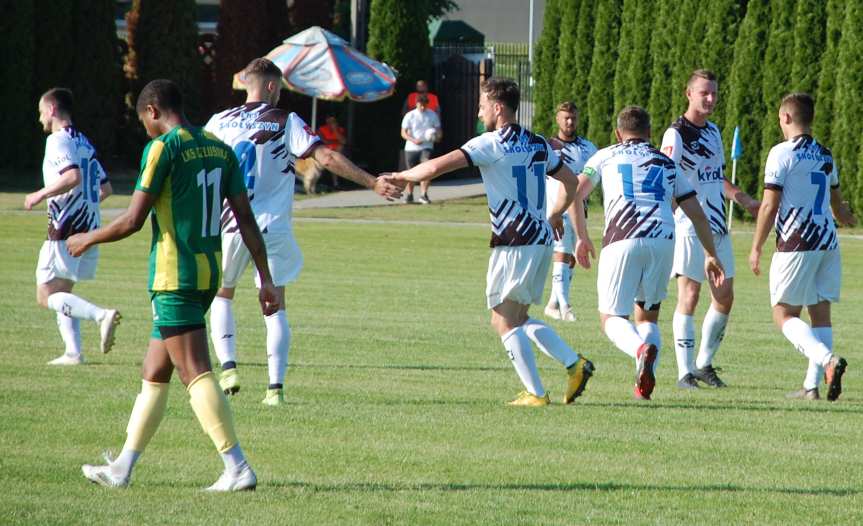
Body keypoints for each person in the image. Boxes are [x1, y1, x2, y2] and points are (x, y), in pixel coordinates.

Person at [69, 79, 277, 491]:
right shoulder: (219, 147)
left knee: (194, 371)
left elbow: (132, 220)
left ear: (152, 111)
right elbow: (246, 220)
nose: (144, 129)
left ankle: (237, 467)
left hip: (174, 277)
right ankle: (122, 468)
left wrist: (87, 237)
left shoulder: (163, 148)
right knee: (154, 370)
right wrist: (265, 277)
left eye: (142, 120)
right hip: (205, 274)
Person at [206, 58, 403, 406]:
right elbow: (325, 158)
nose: (280, 94)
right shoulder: (284, 120)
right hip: (272, 226)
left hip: (230, 223)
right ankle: (274, 390)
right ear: (270, 86)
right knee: (275, 306)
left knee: (223, 294)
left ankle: (229, 367)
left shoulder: (218, 122)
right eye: (280, 87)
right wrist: (372, 182)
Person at [387, 77, 594, 407]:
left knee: (503, 321)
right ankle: (574, 365)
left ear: (498, 108)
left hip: (513, 241)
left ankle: (538, 393)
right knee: (518, 317)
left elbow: (437, 166)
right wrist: (555, 215)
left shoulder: (490, 143)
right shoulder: (539, 142)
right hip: (540, 239)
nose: (479, 111)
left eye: (482, 105)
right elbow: (571, 181)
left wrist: (401, 176)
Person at [572, 106, 725, 401]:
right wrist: (710, 253)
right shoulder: (667, 163)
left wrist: (581, 237)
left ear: (618, 133)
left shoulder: (606, 155)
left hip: (622, 237)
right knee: (648, 318)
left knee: (611, 317)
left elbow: (575, 193)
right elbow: (697, 214)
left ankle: (640, 350)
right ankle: (643, 385)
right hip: (664, 239)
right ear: (650, 133)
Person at [749, 92, 855, 401]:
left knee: (783, 314)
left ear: (785, 118)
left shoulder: (781, 153)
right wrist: (846, 216)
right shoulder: (825, 154)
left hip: (797, 242)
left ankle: (828, 361)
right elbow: (837, 204)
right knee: (820, 314)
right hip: (828, 242)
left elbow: (769, 206)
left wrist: (756, 246)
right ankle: (811, 387)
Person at [660, 69, 761, 389]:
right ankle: (683, 372)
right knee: (689, 295)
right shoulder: (675, 134)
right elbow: (667, 181)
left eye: (714, 93)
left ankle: (703, 364)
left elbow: (715, 177)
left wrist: (744, 199)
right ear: (688, 93)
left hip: (718, 224)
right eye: (704, 92)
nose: (710, 98)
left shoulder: (714, 131)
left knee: (725, 296)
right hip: (689, 226)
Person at [24, 87, 120, 366]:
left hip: (64, 228)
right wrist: (85, 206)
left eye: (41, 111)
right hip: (87, 227)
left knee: (45, 295)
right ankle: (73, 352)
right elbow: (106, 188)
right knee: (63, 293)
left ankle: (100, 315)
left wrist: (39, 194)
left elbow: (72, 177)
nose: (40, 117)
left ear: (52, 109)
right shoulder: (84, 142)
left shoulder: (58, 140)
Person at [543, 101, 597, 322]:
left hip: (579, 210)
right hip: (556, 209)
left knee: (573, 257)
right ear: (557, 118)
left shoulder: (588, 148)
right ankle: (565, 307)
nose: (569, 121)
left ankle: (553, 303)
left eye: (573, 117)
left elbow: (593, 176)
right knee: (562, 253)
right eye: (565, 117)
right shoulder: (547, 146)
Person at [401, 94, 442, 204]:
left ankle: (424, 195)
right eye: (420, 105)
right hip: (411, 147)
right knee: (411, 172)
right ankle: (409, 195)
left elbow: (438, 130)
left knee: (426, 170)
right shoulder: (410, 115)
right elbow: (403, 133)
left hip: (426, 146)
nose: (422, 107)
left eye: (424, 105)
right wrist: (413, 140)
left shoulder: (432, 115)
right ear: (416, 103)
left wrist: (437, 136)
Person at [317, 115, 346, 189]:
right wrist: (335, 141)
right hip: (325, 151)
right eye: (329, 121)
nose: (331, 123)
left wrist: (335, 130)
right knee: (333, 158)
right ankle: (335, 183)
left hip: (337, 153)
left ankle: (336, 183)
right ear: (326, 121)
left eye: (333, 121)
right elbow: (323, 141)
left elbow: (343, 141)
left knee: (338, 153)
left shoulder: (340, 129)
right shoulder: (321, 129)